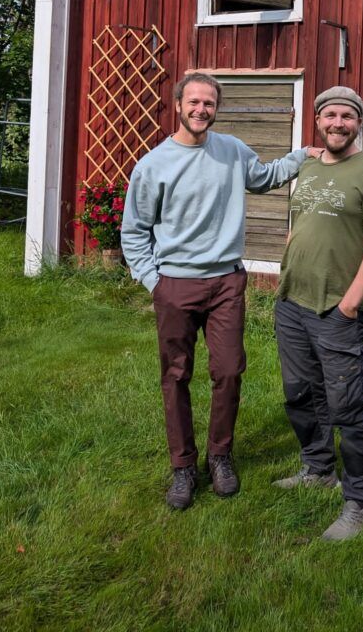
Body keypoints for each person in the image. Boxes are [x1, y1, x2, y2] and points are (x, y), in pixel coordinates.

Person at [121, 72, 318, 510]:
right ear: (178, 104)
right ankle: (183, 466)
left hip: (226, 282)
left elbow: (265, 177)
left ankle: (220, 456)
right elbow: (134, 232)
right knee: (176, 376)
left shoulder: (231, 151)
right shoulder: (153, 164)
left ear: (217, 108)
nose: (201, 110)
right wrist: (155, 283)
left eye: (209, 103)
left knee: (228, 370)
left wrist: (303, 155)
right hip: (175, 283)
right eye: (193, 101)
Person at [273, 85, 363, 541]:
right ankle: (318, 468)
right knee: (301, 394)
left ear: (358, 123)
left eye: (347, 115)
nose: (338, 123)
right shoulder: (306, 167)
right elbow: (299, 223)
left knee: (349, 405)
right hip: (293, 303)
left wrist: (350, 304)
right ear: (318, 120)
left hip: (336, 310)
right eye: (330, 115)